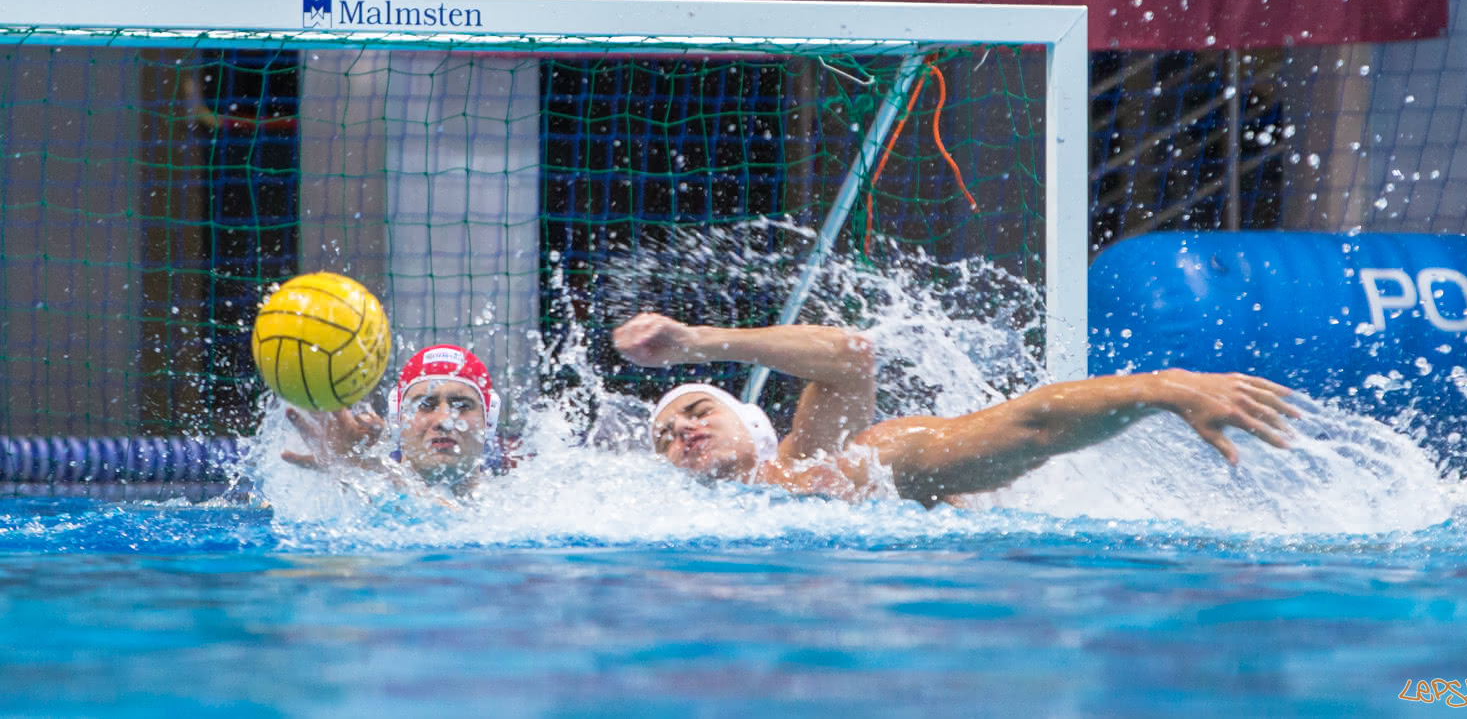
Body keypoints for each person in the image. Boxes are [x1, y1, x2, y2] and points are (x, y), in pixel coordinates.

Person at [614, 312, 1299, 506]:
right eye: (666, 437)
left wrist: (698, 343)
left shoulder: (815, 456)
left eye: (698, 408)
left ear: (755, 423)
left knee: (881, 455)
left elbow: (852, 353)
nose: (684, 431)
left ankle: (1162, 385)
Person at [281, 343, 505, 498]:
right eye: (424, 405)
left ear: (490, 420)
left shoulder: (513, 512)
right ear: (397, 420)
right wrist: (352, 464)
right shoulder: (357, 500)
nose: (444, 421)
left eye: (462, 405)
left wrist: (365, 467)